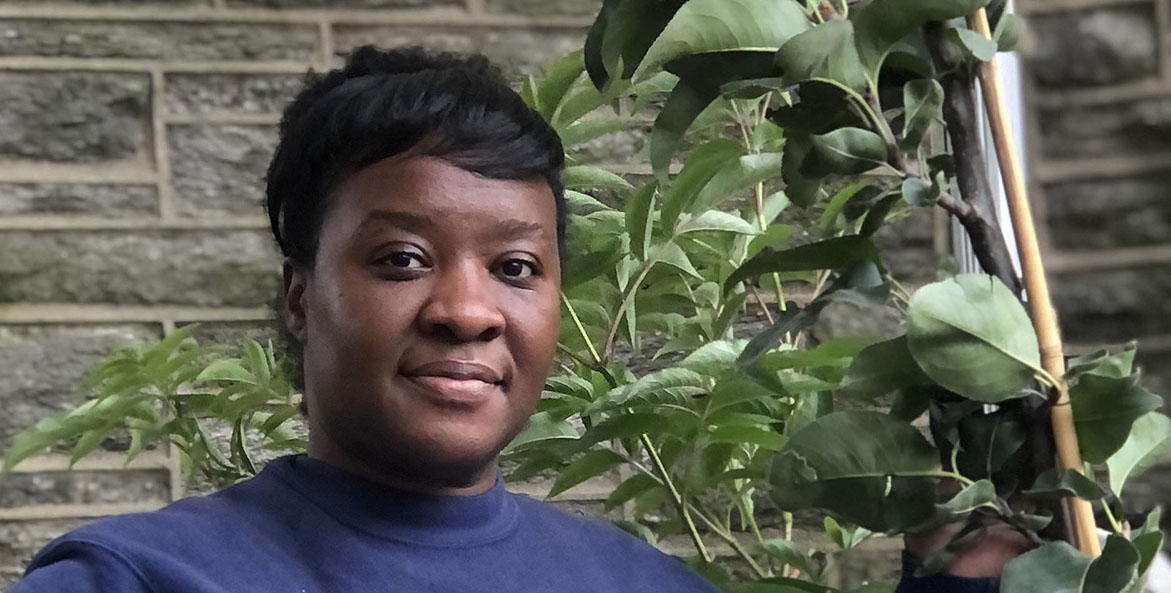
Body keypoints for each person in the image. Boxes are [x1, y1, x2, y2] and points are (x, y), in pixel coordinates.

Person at [9, 45, 1021, 593]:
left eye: (516, 265)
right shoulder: (144, 579)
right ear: (296, 293)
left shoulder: (643, 586)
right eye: (401, 257)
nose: (465, 308)